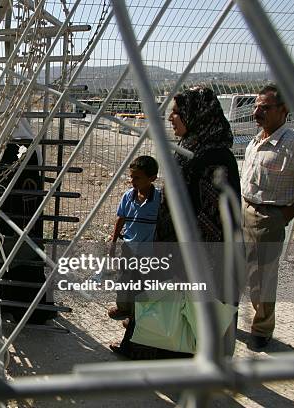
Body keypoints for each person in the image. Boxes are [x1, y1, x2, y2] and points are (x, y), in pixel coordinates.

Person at [112, 87, 241, 359]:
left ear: (196, 115)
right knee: (161, 301)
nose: (170, 118)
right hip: (173, 248)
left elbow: (214, 219)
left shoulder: (215, 159)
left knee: (184, 312)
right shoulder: (191, 148)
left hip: (195, 256)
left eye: (177, 112)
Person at [241, 84, 294, 349]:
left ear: (283, 110)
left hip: (269, 216)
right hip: (243, 209)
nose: (256, 111)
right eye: (256, 106)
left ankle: (262, 330)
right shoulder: (256, 138)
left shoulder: (291, 143)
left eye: (265, 107)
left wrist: (284, 215)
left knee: (262, 278)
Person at [107, 155, 160, 321]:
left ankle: (136, 317)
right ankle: (123, 308)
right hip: (129, 248)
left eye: (137, 177)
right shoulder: (128, 196)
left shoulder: (159, 199)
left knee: (143, 285)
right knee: (124, 280)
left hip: (148, 252)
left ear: (152, 178)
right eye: (131, 176)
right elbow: (120, 219)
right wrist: (113, 241)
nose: (132, 181)